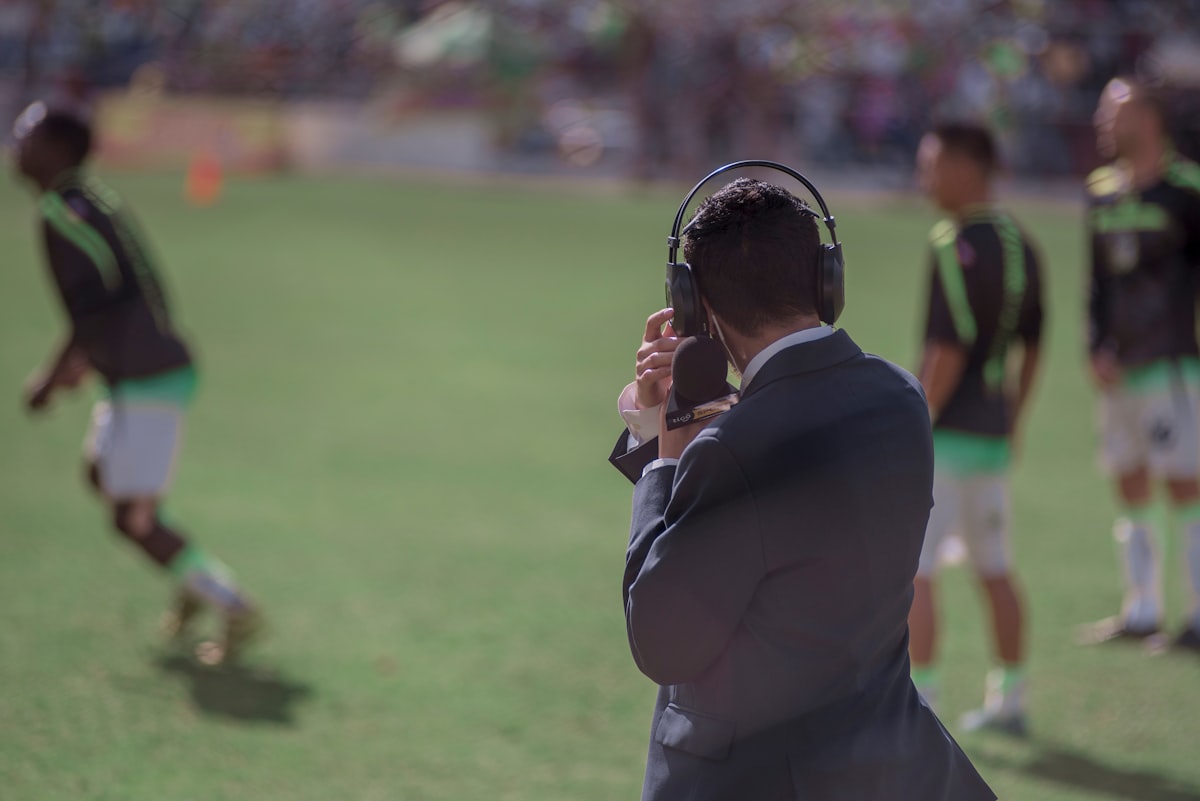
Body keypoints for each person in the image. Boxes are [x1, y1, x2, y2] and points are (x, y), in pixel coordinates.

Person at [611, 177, 994, 800]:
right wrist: (701, 424)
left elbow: (662, 640)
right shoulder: (901, 398)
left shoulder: (730, 447)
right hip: (888, 768)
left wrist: (666, 450)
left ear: (693, 304)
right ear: (825, 278)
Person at [12, 102, 261, 665]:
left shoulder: (63, 213)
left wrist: (51, 379)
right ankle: (190, 575)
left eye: (26, 135)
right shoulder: (90, 200)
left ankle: (232, 604)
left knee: (133, 518)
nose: (16, 144)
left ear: (54, 150)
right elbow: (131, 290)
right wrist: (90, 360)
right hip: (136, 374)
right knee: (103, 476)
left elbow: (92, 311)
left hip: (147, 379)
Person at [909, 122, 1044, 734]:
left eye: (931, 163)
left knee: (917, 571)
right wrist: (1012, 418)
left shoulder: (949, 244)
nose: (924, 177)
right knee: (995, 567)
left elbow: (948, 349)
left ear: (966, 168)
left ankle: (922, 701)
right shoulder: (1022, 244)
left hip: (945, 437)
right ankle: (1011, 697)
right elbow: (1033, 346)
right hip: (991, 435)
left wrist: (913, 420)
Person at [1079, 77, 1200, 652]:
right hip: (1118, 372)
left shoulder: (1187, 190)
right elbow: (1096, 284)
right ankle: (1143, 608)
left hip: (1173, 367)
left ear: (1148, 119)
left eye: (1114, 111)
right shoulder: (1101, 190)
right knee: (1128, 482)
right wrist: (1094, 345)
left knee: (1185, 485)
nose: (1104, 121)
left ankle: (1198, 615)